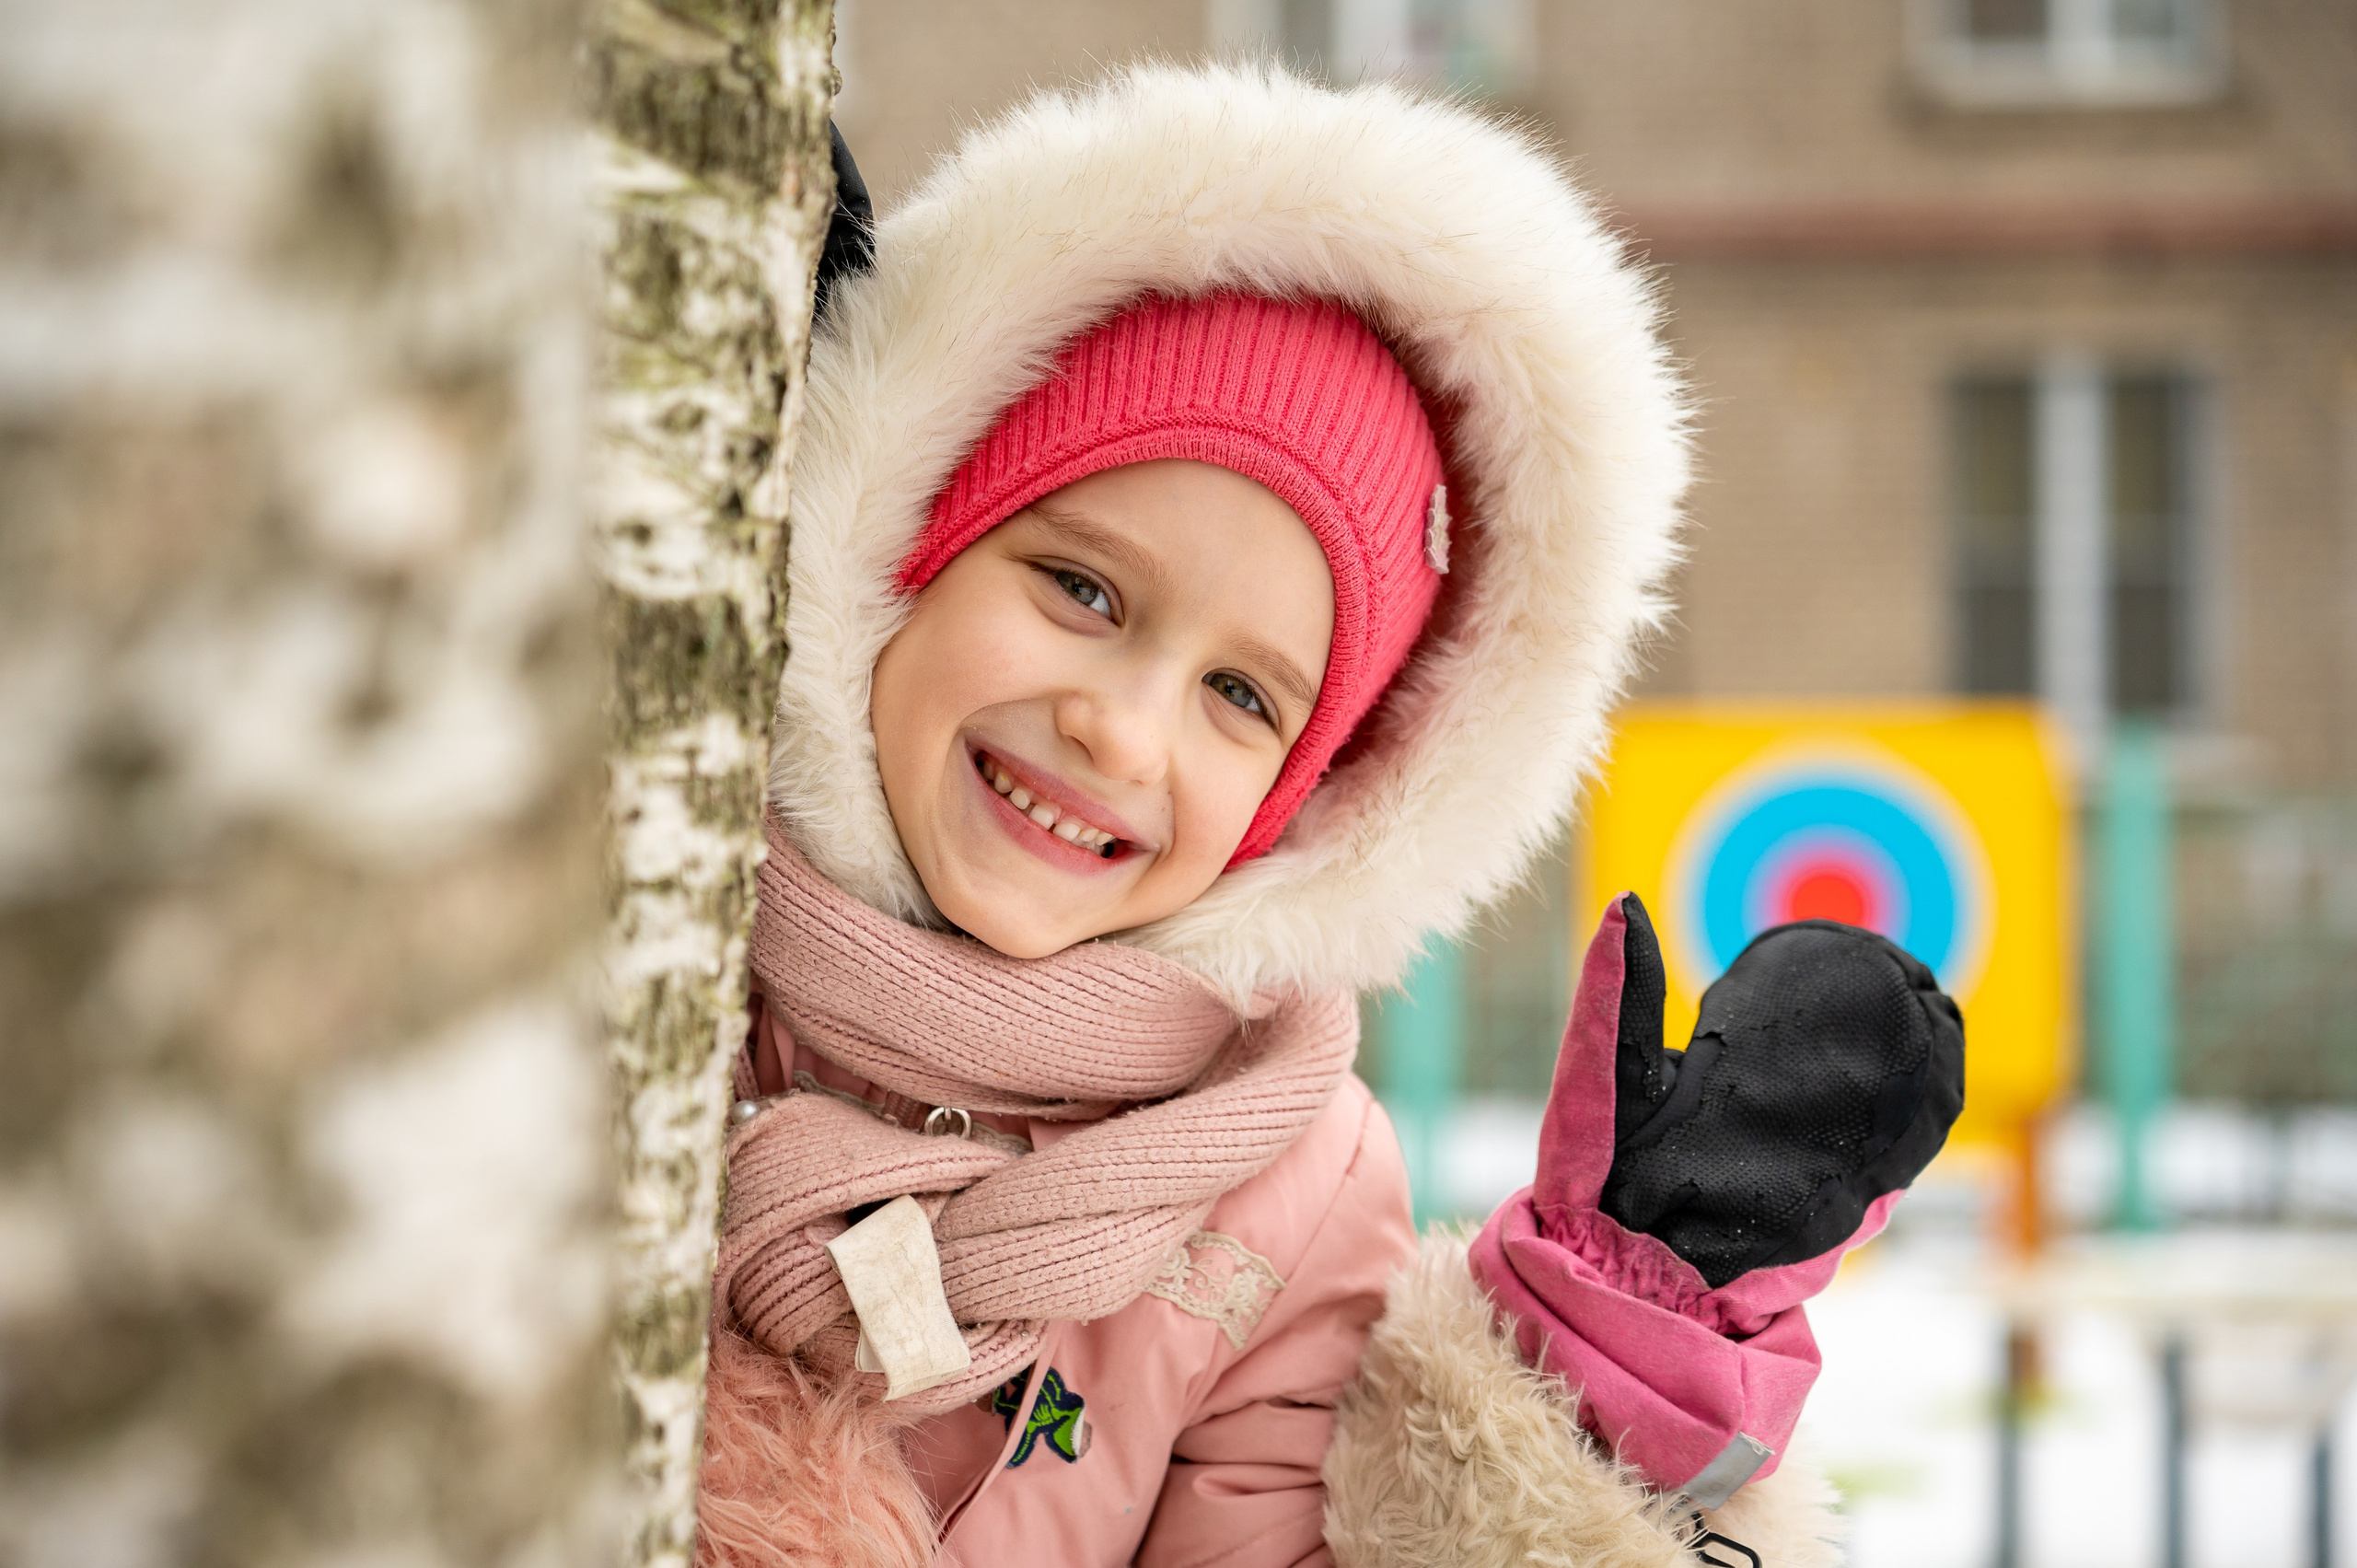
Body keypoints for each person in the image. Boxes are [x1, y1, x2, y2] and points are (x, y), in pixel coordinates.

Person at [696, 62, 1964, 1568]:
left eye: (1245, 698)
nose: (1124, 727)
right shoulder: (671, 917)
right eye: (1080, 587)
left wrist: (1598, 1416)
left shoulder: (1284, 1191)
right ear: (906, 541)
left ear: (1312, 788)